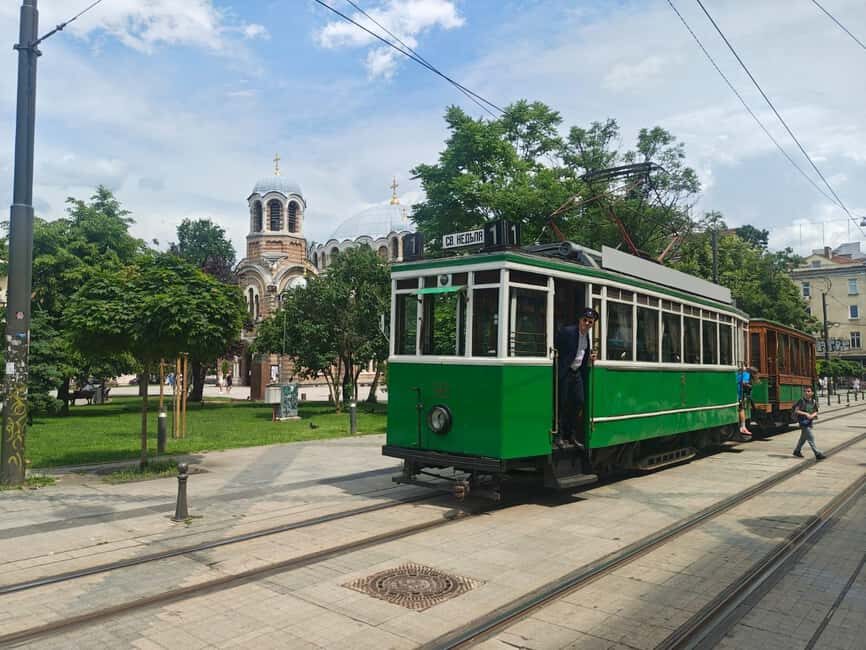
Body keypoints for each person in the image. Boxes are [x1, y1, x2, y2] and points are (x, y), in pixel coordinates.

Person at [555, 307, 599, 450]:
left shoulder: (587, 336)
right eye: (585, 320)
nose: (587, 323)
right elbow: (556, 346)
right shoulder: (568, 332)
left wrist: (590, 359)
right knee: (563, 403)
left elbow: (583, 354)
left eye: (590, 322)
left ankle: (571, 434)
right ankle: (559, 436)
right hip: (566, 372)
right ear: (580, 320)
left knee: (579, 401)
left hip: (577, 373)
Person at [793, 386, 825, 460]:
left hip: (809, 422)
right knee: (811, 438)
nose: (806, 393)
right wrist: (806, 414)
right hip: (803, 422)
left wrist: (812, 415)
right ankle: (817, 453)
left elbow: (816, 411)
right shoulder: (801, 401)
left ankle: (797, 451)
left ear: (812, 393)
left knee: (803, 438)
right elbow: (796, 410)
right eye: (805, 391)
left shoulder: (813, 401)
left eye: (808, 391)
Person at [736, 363, 753, 438]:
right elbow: (744, 382)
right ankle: (743, 427)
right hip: (739, 394)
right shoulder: (745, 374)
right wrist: (749, 386)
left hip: (735, 393)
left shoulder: (736, 373)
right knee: (741, 409)